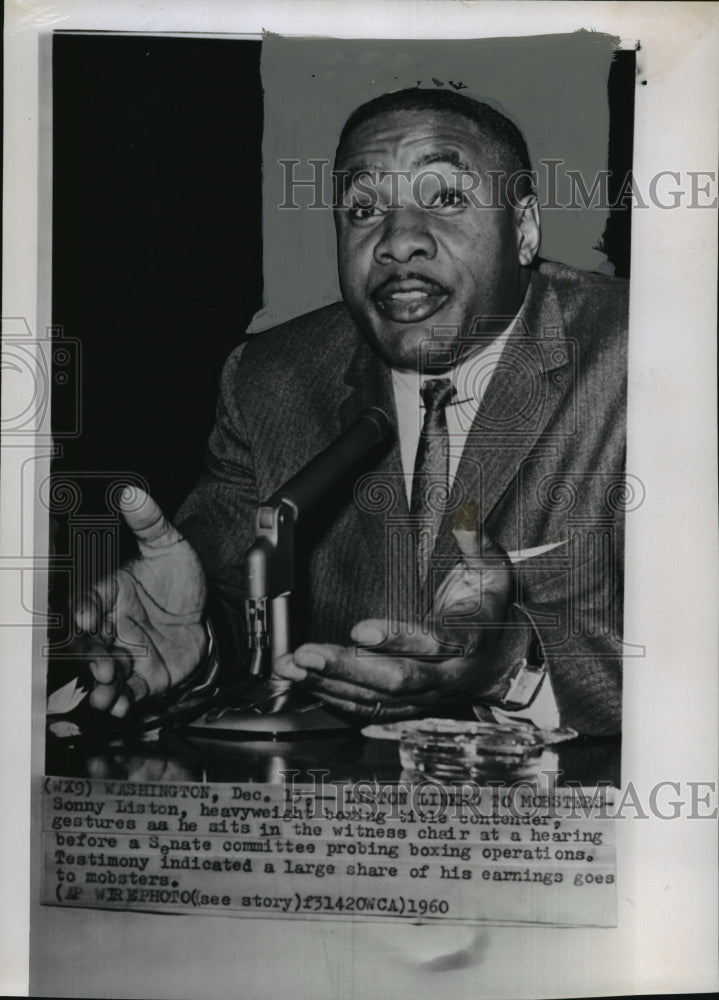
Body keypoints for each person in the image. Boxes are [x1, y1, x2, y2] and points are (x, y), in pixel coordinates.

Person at [75, 88, 627, 736]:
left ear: (524, 227)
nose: (397, 241)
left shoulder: (651, 356)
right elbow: (233, 599)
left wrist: (511, 670)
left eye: (445, 198)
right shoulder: (267, 380)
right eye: (363, 209)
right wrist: (204, 648)